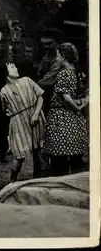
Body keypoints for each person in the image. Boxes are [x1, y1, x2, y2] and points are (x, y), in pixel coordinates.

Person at [43, 43, 88, 176]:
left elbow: (66, 99)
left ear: (63, 56)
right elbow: (88, 95)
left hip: (61, 120)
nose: (56, 59)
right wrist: (80, 106)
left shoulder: (63, 74)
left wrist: (76, 107)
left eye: (57, 56)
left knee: (58, 159)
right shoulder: (80, 74)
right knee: (76, 158)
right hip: (76, 121)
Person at [0, 63, 46, 183]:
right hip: (18, 122)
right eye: (12, 67)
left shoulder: (27, 80)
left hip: (35, 116)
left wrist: (36, 114)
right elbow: (5, 109)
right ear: (6, 73)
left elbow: (40, 97)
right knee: (19, 153)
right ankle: (12, 180)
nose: (16, 68)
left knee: (39, 150)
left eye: (16, 66)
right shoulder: (4, 91)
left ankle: (39, 179)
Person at [37, 33, 64, 116]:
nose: (46, 46)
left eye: (49, 43)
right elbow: (39, 73)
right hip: (46, 96)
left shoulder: (59, 59)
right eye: (44, 44)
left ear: (57, 44)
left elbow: (48, 81)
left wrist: (30, 85)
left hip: (57, 101)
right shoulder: (47, 56)